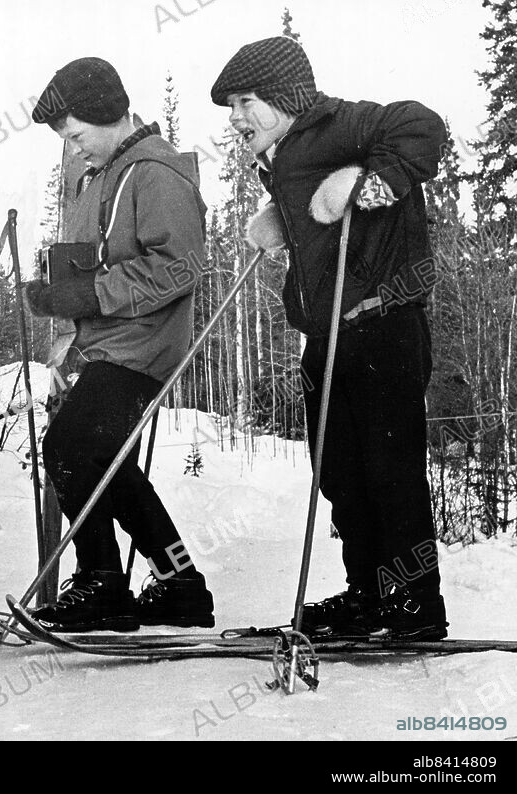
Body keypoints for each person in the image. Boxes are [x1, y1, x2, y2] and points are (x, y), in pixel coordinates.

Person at [212, 36, 449, 640]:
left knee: (389, 468)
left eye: (244, 102)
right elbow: (317, 221)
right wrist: (283, 220)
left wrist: (370, 180)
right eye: (231, 107)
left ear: (285, 96)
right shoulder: (286, 152)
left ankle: (417, 602)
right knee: (340, 470)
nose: (236, 119)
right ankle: (367, 593)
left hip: (383, 326)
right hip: (328, 336)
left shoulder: (341, 123)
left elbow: (423, 125)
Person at [23, 57, 211, 632]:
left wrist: (84, 297)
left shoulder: (156, 172)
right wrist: (63, 323)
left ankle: (103, 584)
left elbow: (180, 267)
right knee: (107, 465)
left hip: (142, 346)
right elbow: (87, 261)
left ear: (110, 116)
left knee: (70, 449)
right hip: (107, 346)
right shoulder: (101, 176)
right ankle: (181, 586)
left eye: (78, 136)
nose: (75, 150)